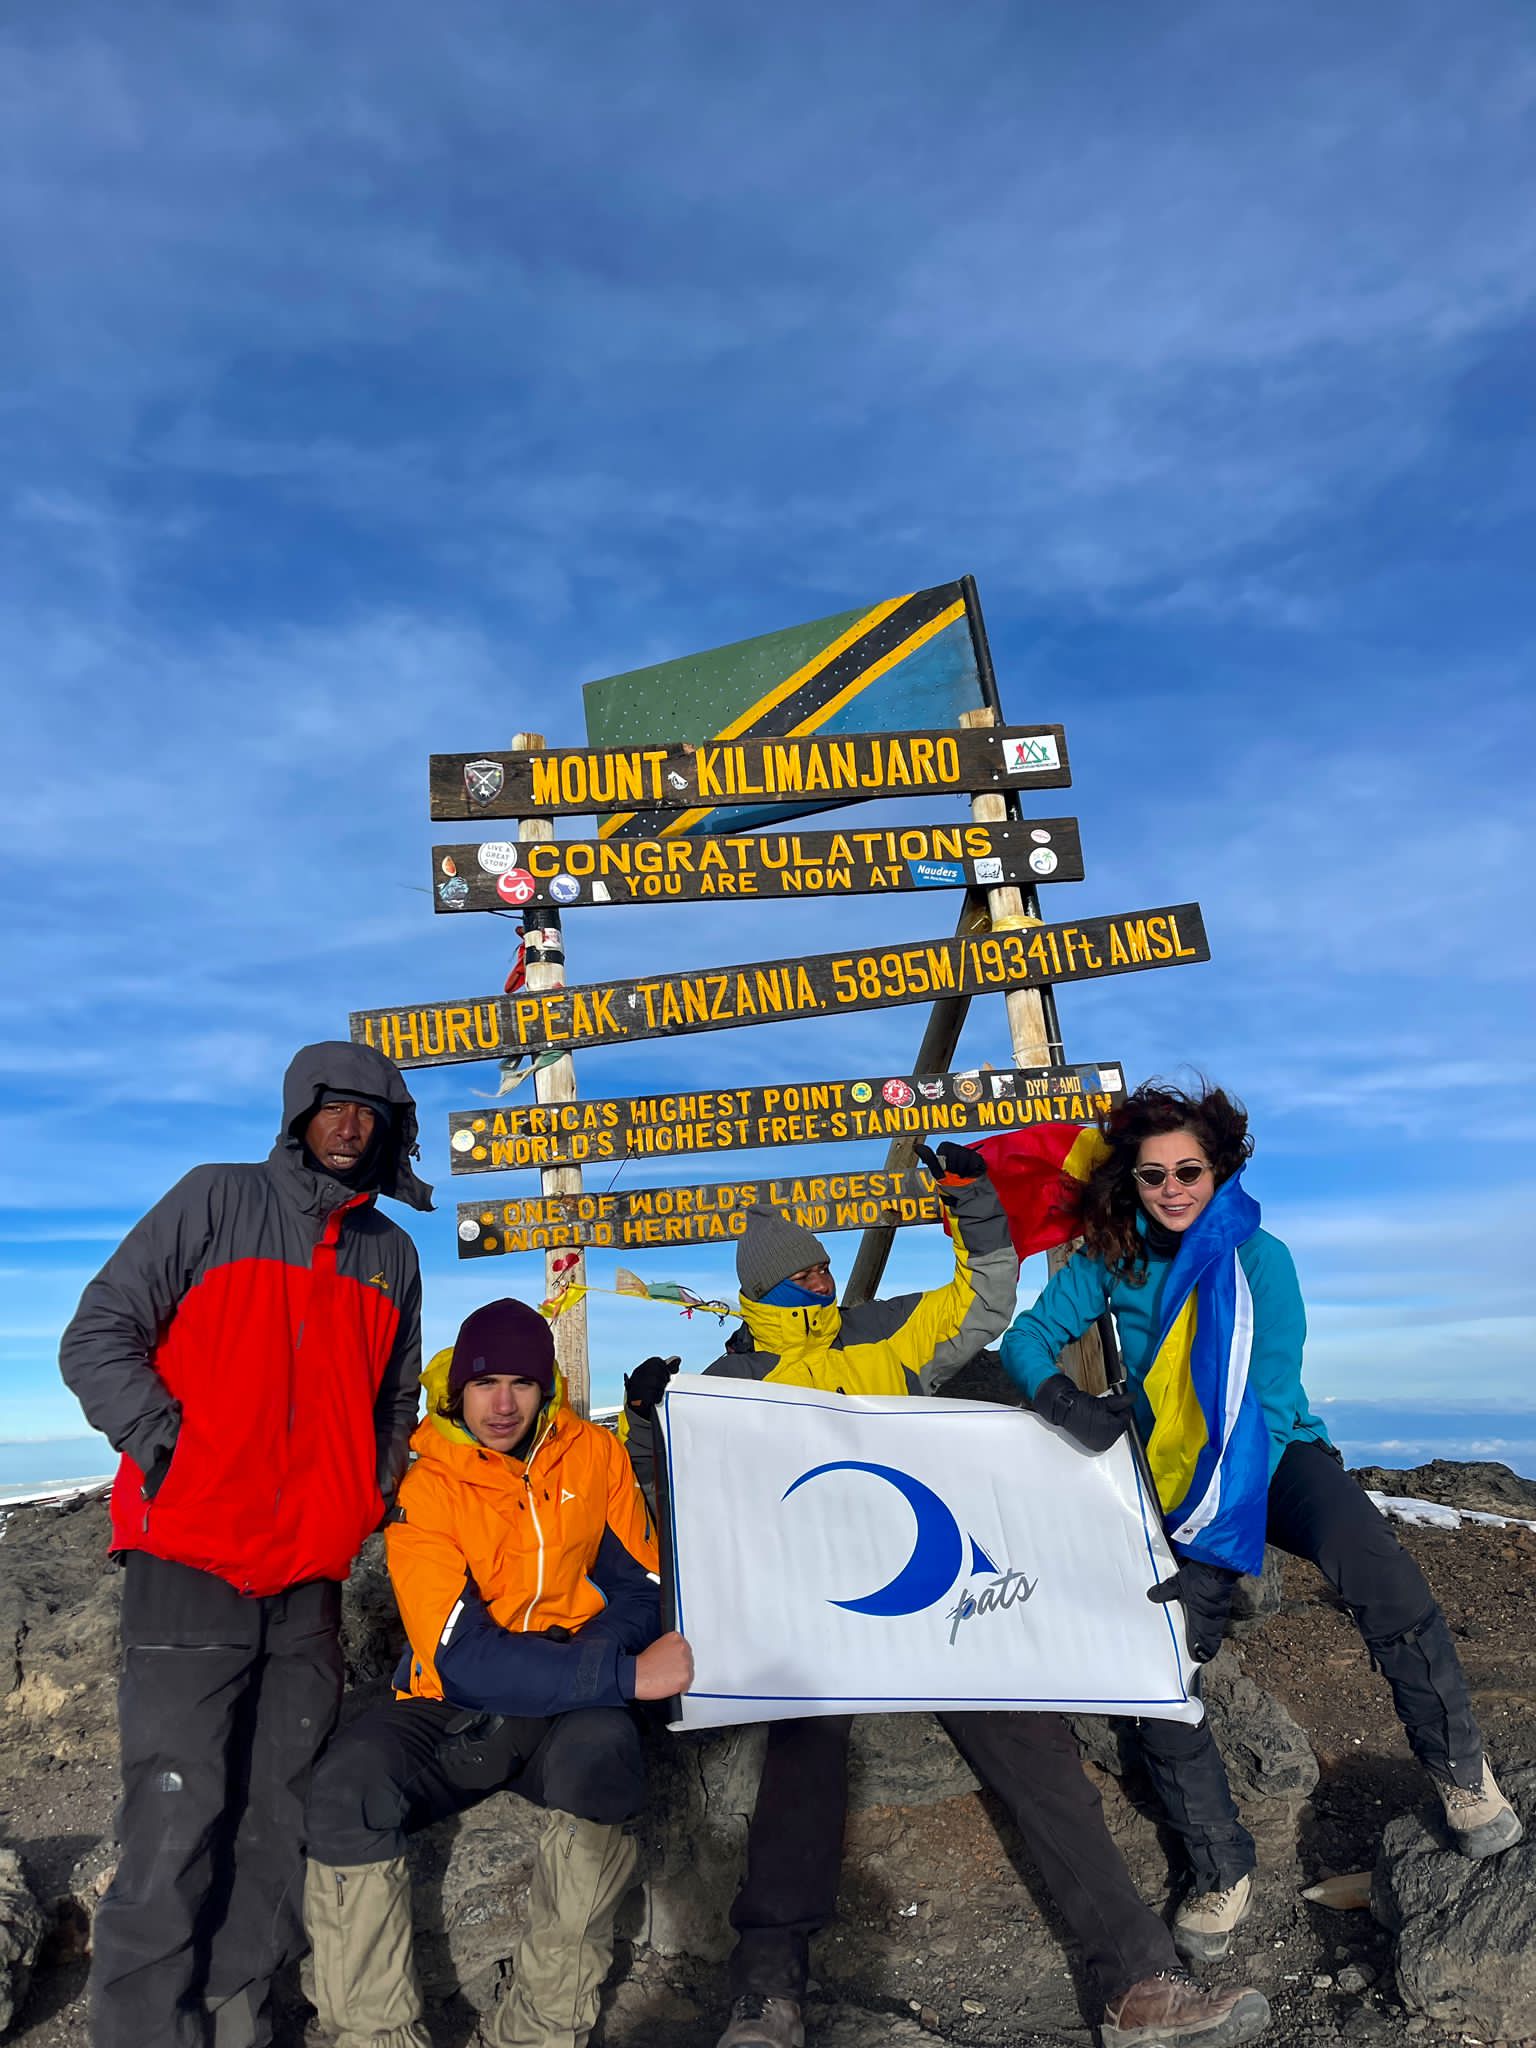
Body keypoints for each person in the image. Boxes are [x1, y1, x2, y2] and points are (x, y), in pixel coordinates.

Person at [625, 1146, 1270, 2048]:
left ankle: (1137, 1980)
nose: (821, 1278)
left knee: (1034, 1742)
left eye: (822, 1265)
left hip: (941, 1603)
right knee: (801, 1765)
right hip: (817, 1614)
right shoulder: (727, 1389)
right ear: (767, 1290)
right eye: (805, 1273)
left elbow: (984, 1299)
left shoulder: (876, 1332)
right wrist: (647, 1424)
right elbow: (682, 1503)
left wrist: (971, 1202)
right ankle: (767, 1995)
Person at [999, 1081, 1524, 1965]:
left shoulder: (1261, 1258)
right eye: (1154, 1172)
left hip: (1274, 1458)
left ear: (1221, 1167)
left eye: (1190, 1170)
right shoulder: (1111, 1256)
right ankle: (1220, 1865)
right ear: (1132, 1176)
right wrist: (1058, 1399)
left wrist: (1212, 1551)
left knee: (1381, 1571)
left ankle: (1461, 1774)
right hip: (1171, 1476)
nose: (1173, 1189)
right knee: (1159, 1665)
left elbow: (1269, 1403)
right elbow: (1026, 1338)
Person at [58, 1041, 433, 2048]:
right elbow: (98, 1331)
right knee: (175, 1817)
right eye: (335, 1105)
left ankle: (237, 2024)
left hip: (307, 1576)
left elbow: (399, 1395)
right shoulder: (214, 1199)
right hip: (189, 1564)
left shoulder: (392, 1252)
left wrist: (370, 1488)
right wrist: (172, 1451)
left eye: (372, 1110)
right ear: (299, 1110)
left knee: (276, 1821)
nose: (352, 1125)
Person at [304, 1297, 692, 2048]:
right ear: (459, 1393)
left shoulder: (594, 1454)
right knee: (346, 1789)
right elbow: (457, 1653)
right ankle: (375, 2034)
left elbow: (641, 1587)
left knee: (603, 1762)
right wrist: (613, 1676)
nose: (504, 1403)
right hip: (451, 1703)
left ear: (547, 1386)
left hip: (564, 1707)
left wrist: (575, 1672)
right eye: (486, 1384)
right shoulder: (427, 1486)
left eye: (523, 1381)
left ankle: (540, 2029)